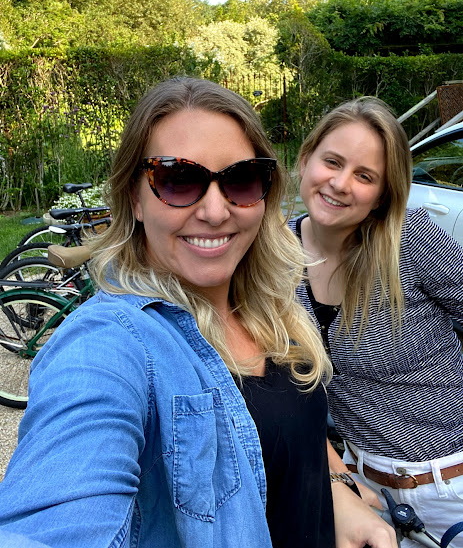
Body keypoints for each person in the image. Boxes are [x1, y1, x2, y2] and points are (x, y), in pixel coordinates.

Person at [0, 79, 396, 548]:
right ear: (134, 198)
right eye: (178, 179)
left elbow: (294, 440)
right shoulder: (109, 345)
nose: (215, 210)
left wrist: (337, 492)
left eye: (241, 179)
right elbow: (54, 518)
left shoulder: (271, 306)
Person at [290, 96, 463, 547]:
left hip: (453, 487)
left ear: (384, 193)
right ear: (306, 159)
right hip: (361, 491)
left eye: (365, 176)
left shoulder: (414, 241)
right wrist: (339, 480)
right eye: (332, 161)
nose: (341, 183)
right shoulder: (273, 257)